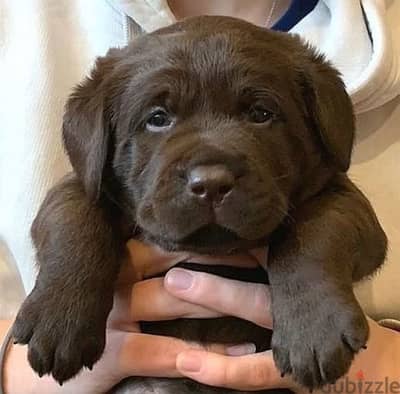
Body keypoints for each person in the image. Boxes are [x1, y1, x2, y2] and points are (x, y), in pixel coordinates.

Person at [1, 0, 399, 393]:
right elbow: (75, 199)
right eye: (157, 119)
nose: (211, 176)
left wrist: (381, 368)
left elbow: (348, 216)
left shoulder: (317, 169)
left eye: (260, 114)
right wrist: (19, 360)